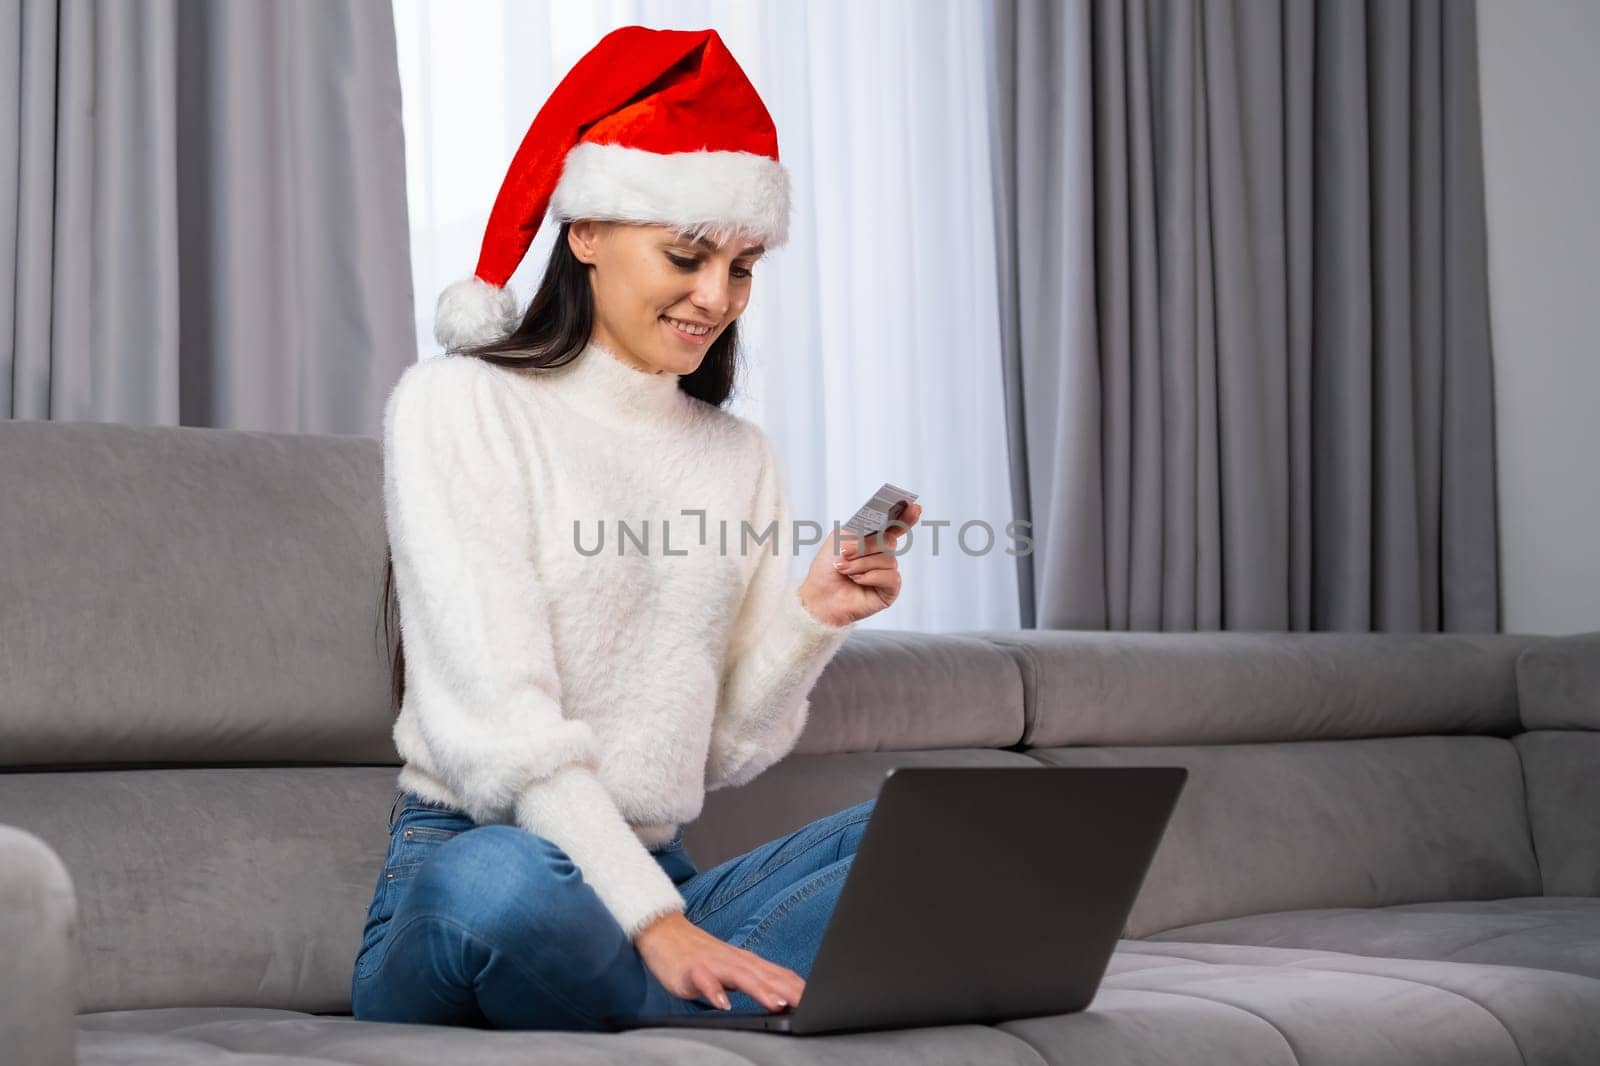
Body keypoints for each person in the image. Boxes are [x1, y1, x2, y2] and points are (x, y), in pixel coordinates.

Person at [350, 26, 923, 1032]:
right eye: (686, 255)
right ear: (585, 231)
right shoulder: (459, 406)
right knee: (502, 885)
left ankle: (660, 998)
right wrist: (660, 924)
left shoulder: (735, 454)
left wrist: (810, 618)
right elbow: (505, 737)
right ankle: (712, 993)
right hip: (484, 862)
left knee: (938, 842)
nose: (717, 297)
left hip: (658, 879)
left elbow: (710, 754)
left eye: (742, 265)